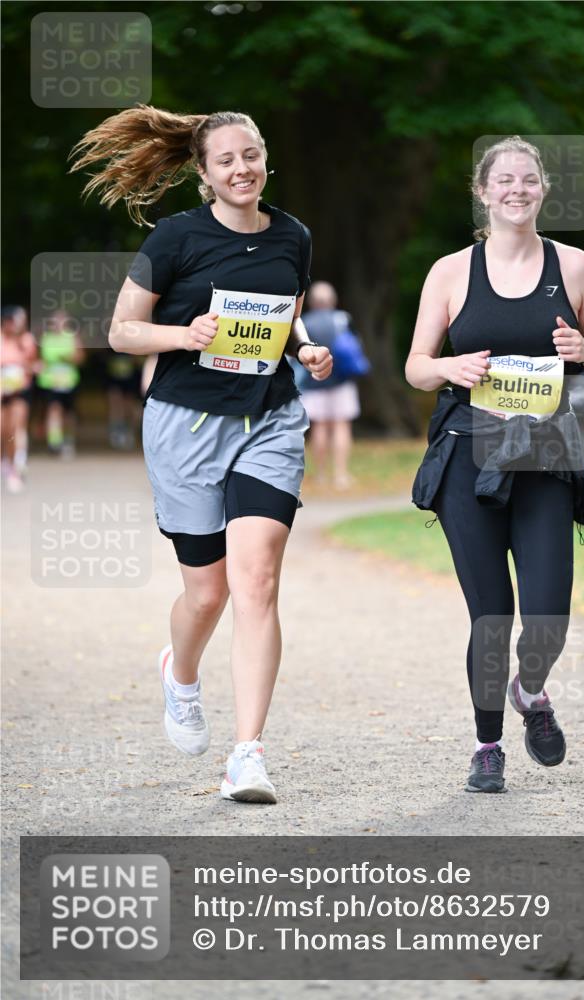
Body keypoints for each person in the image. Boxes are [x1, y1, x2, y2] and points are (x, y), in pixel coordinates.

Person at [70, 106, 332, 803]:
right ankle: (180, 674)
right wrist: (184, 336)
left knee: (257, 582)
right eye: (226, 160)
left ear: (265, 158)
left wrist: (303, 345)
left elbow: (288, 309)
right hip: (185, 424)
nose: (242, 168)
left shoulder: (292, 235)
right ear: (204, 172)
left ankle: (247, 755)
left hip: (268, 420)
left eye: (252, 154)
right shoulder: (175, 237)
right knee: (207, 592)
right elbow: (123, 332)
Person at [406, 136, 584, 793]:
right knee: (490, 614)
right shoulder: (449, 272)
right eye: (504, 180)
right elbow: (414, 366)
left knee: (547, 616)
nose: (516, 189)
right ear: (482, 190)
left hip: (545, 452)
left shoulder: (574, 265)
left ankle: (531, 690)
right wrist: (447, 366)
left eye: (528, 179)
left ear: (542, 190)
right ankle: (487, 744)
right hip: (469, 453)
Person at [300, 281, 363, 489]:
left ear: (311, 302)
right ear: (332, 300)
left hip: (313, 382)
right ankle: (341, 475)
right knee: (342, 426)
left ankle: (320, 475)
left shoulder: (304, 323)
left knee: (319, 428)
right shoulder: (343, 319)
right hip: (342, 382)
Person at [36, 309, 85, 458]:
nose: (58, 324)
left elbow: (80, 358)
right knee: (54, 409)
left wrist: (67, 358)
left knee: (68, 413)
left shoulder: (73, 337)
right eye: (55, 321)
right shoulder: (45, 338)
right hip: (51, 381)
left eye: (61, 320)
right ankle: (54, 442)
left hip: (69, 381)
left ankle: (68, 440)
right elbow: (40, 358)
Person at [1, 305, 37, 492]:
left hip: (20, 391)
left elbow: (32, 364)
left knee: (17, 427)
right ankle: (6, 461)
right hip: (2, 392)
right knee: (4, 430)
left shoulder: (27, 340)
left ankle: (18, 465)